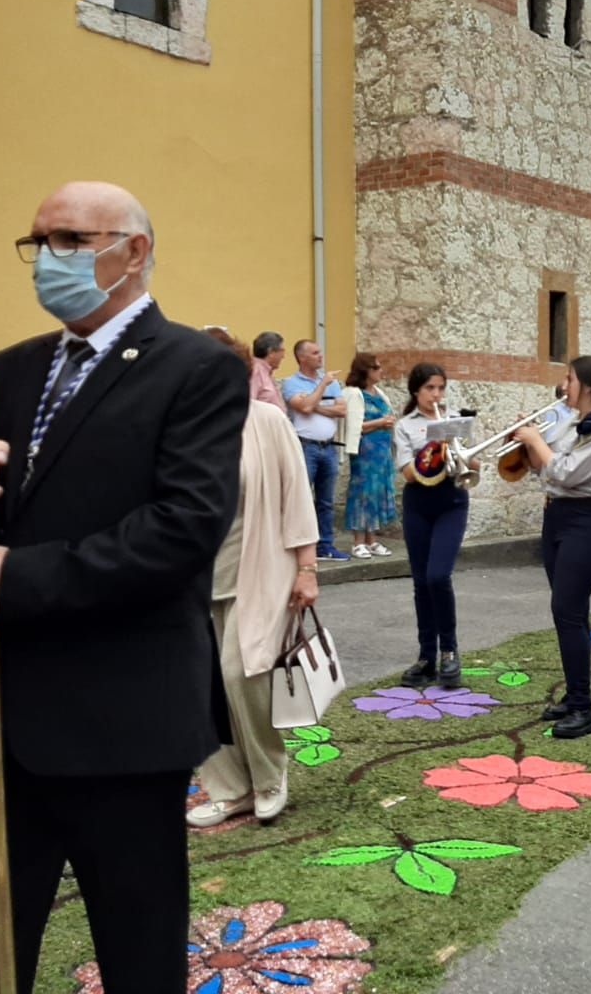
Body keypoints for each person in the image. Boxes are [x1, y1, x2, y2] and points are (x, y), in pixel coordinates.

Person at [0, 182, 247, 993]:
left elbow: (183, 527)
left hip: (122, 725)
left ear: (133, 250)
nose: (46, 261)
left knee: (136, 953)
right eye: (38, 244)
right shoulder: (8, 370)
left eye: (68, 241)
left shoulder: (196, 370)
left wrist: (20, 577)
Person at [189, 329, 319, 828]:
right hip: (195, 580)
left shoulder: (266, 421)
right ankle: (227, 788)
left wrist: (306, 568)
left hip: (259, 570)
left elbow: (296, 495)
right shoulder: (182, 428)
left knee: (240, 675)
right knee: (201, 687)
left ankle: (269, 776)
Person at [512, 356, 591, 740]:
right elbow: (544, 470)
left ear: (589, 387)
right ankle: (576, 694)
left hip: (587, 522)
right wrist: (526, 441)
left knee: (567, 610)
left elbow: (565, 471)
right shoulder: (571, 424)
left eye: (570, 378)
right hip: (557, 518)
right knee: (568, 614)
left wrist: (535, 440)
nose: (565, 385)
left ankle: (583, 708)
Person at [392, 364, 469, 688]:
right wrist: (433, 446)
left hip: (451, 501)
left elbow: (473, 464)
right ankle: (427, 656)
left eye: (440, 388)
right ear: (416, 391)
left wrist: (454, 440)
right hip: (419, 503)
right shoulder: (404, 426)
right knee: (422, 582)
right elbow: (409, 473)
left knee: (439, 576)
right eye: (430, 389)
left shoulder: (456, 421)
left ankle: (449, 651)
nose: (436, 395)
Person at [283, 340, 349, 561]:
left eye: (320, 352)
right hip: (305, 447)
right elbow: (303, 407)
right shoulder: (292, 383)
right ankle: (297, 547)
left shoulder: (332, 382)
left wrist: (315, 406)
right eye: (315, 353)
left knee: (326, 501)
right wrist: (322, 387)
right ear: (302, 358)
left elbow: (342, 410)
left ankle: (326, 546)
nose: (320, 356)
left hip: (328, 447)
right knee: (299, 499)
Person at [343, 352, 397, 559]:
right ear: (365, 371)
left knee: (377, 493)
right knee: (362, 493)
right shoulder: (354, 394)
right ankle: (358, 542)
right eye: (376, 368)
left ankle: (372, 539)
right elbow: (354, 426)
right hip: (365, 450)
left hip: (382, 450)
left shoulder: (379, 393)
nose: (381, 371)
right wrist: (380, 423)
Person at [249, 330, 285, 409]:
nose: (283, 356)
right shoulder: (256, 372)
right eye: (282, 350)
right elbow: (249, 404)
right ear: (271, 352)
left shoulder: (267, 373)